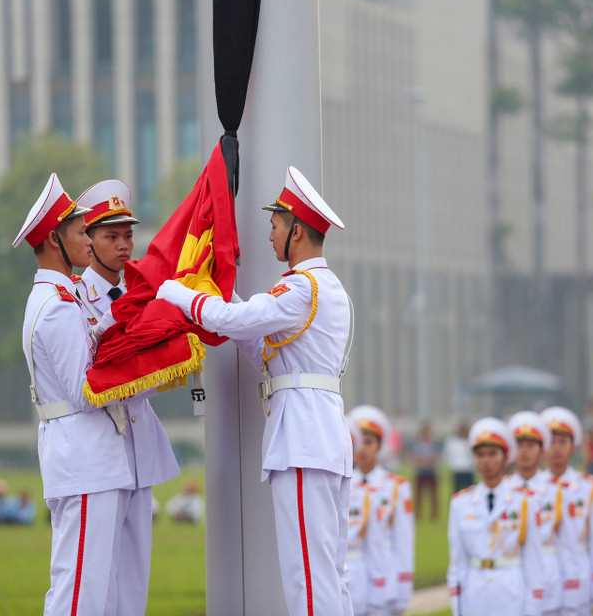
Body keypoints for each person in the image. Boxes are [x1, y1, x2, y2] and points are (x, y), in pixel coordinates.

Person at [155, 166, 353, 615]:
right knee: (329, 572)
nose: (270, 234)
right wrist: (224, 293)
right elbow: (262, 346)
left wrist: (177, 292)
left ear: (296, 231)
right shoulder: (326, 287)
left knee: (307, 575)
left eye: (276, 224)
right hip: (321, 436)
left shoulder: (301, 287)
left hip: (304, 439)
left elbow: (234, 322)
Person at [13, 172, 138, 614]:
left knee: (95, 590)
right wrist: (137, 366)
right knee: (79, 593)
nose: (88, 239)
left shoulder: (63, 298)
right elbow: (84, 391)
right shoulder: (58, 307)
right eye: (81, 231)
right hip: (85, 460)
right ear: (54, 239)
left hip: (87, 460)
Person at [75, 179, 182, 613]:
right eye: (111, 236)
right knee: (98, 574)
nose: (124, 245)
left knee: (135, 573)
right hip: (102, 445)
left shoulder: (140, 294)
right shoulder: (76, 300)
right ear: (88, 241)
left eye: (128, 235)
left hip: (139, 442)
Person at [446, 417, 544, 616]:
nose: (486, 461)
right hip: (475, 592)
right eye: (480, 455)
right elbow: (458, 563)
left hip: (511, 591)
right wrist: (458, 606)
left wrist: (533, 607)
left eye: (492, 454)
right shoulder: (460, 503)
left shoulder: (525, 501)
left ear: (505, 458)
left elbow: (534, 562)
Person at [541, 406, 593, 615]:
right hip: (543, 575)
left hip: (580, 574)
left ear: (573, 447)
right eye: (551, 442)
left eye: (563, 442)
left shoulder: (590, 488)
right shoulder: (530, 490)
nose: (557, 448)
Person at [348, 405, 415, 616]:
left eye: (369, 442)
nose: (362, 449)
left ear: (379, 445)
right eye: (359, 442)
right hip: (352, 566)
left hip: (386, 567)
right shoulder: (343, 485)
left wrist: (404, 584)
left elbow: (403, 539)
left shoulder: (396, 487)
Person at [507, 410, 563, 615]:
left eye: (530, 445)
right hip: (512, 572)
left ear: (542, 451)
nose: (524, 451)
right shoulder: (503, 491)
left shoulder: (556, 491)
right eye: (519, 445)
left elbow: (567, 544)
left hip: (549, 572)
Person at [344, 418, 390, 616]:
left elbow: (375, 543)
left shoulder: (366, 494)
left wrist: (378, 588)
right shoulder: (323, 489)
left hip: (358, 569)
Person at [412, 421, 441, 521]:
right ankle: (418, 513)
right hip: (421, 472)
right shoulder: (418, 444)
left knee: (433, 495)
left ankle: (434, 514)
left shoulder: (434, 444)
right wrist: (426, 461)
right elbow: (416, 458)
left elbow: (435, 457)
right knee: (418, 496)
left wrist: (425, 461)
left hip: (431, 472)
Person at [443, 420, 475, 493]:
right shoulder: (453, 441)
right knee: (457, 492)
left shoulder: (470, 440)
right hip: (457, 470)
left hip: (468, 470)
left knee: (470, 493)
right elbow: (448, 453)